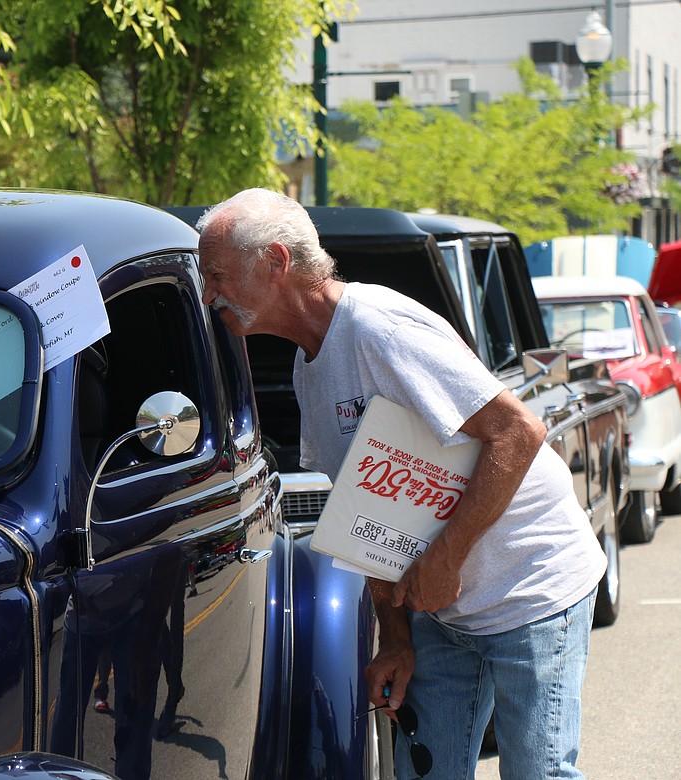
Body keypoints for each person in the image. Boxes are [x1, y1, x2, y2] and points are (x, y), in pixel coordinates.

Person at [195, 188, 606, 779]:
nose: (210, 294)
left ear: (276, 263)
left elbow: (519, 433)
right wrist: (395, 638)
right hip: (441, 610)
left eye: (218, 274)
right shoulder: (310, 364)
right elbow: (371, 518)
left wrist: (446, 555)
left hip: (531, 587)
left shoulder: (378, 327)